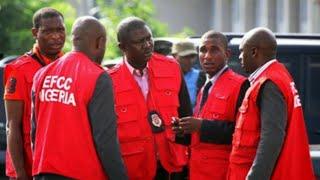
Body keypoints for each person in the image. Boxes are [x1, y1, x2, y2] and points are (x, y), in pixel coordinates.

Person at [31, 16, 127, 180]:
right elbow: (105, 140)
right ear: (100, 42)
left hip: (43, 172)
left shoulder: (42, 74)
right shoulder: (97, 76)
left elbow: (34, 131)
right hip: (82, 173)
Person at [107, 16, 192, 180]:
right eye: (139, 42)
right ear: (122, 47)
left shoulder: (171, 67)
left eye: (149, 38)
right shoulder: (109, 81)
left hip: (171, 167)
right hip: (134, 170)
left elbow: (186, 115)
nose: (147, 45)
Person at [228, 27, 315, 180]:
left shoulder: (269, 82)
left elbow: (271, 138)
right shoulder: (278, 76)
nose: (240, 57)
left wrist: (255, 177)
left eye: (242, 51)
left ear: (254, 52)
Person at [172, 30, 249, 180]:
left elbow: (243, 134)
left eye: (214, 50)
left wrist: (201, 126)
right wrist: (184, 130)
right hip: (197, 172)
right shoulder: (205, 87)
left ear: (227, 54)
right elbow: (199, 136)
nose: (207, 56)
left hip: (222, 173)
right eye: (203, 50)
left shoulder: (240, 85)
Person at [4, 7, 66, 179]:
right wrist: (21, 173)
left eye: (60, 30)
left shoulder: (69, 66)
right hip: (28, 167)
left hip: (59, 167)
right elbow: (12, 126)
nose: (56, 36)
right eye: (48, 31)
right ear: (35, 33)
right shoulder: (18, 69)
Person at [172, 40, 206, 108]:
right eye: (185, 57)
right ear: (174, 56)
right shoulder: (164, 77)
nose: (190, 61)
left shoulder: (201, 77)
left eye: (192, 56)